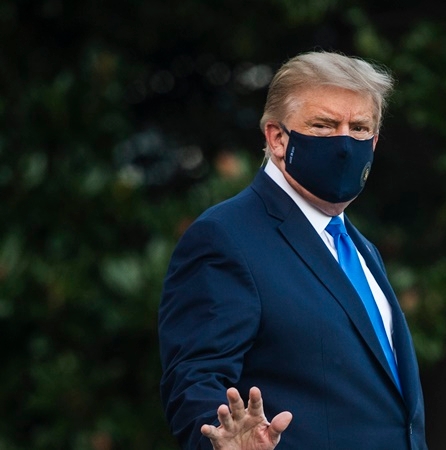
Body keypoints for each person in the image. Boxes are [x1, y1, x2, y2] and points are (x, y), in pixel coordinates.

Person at [158, 50, 427, 450]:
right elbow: (195, 383)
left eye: (359, 128)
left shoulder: (360, 247)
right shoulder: (225, 238)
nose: (344, 143)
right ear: (278, 138)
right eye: (323, 125)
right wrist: (223, 444)